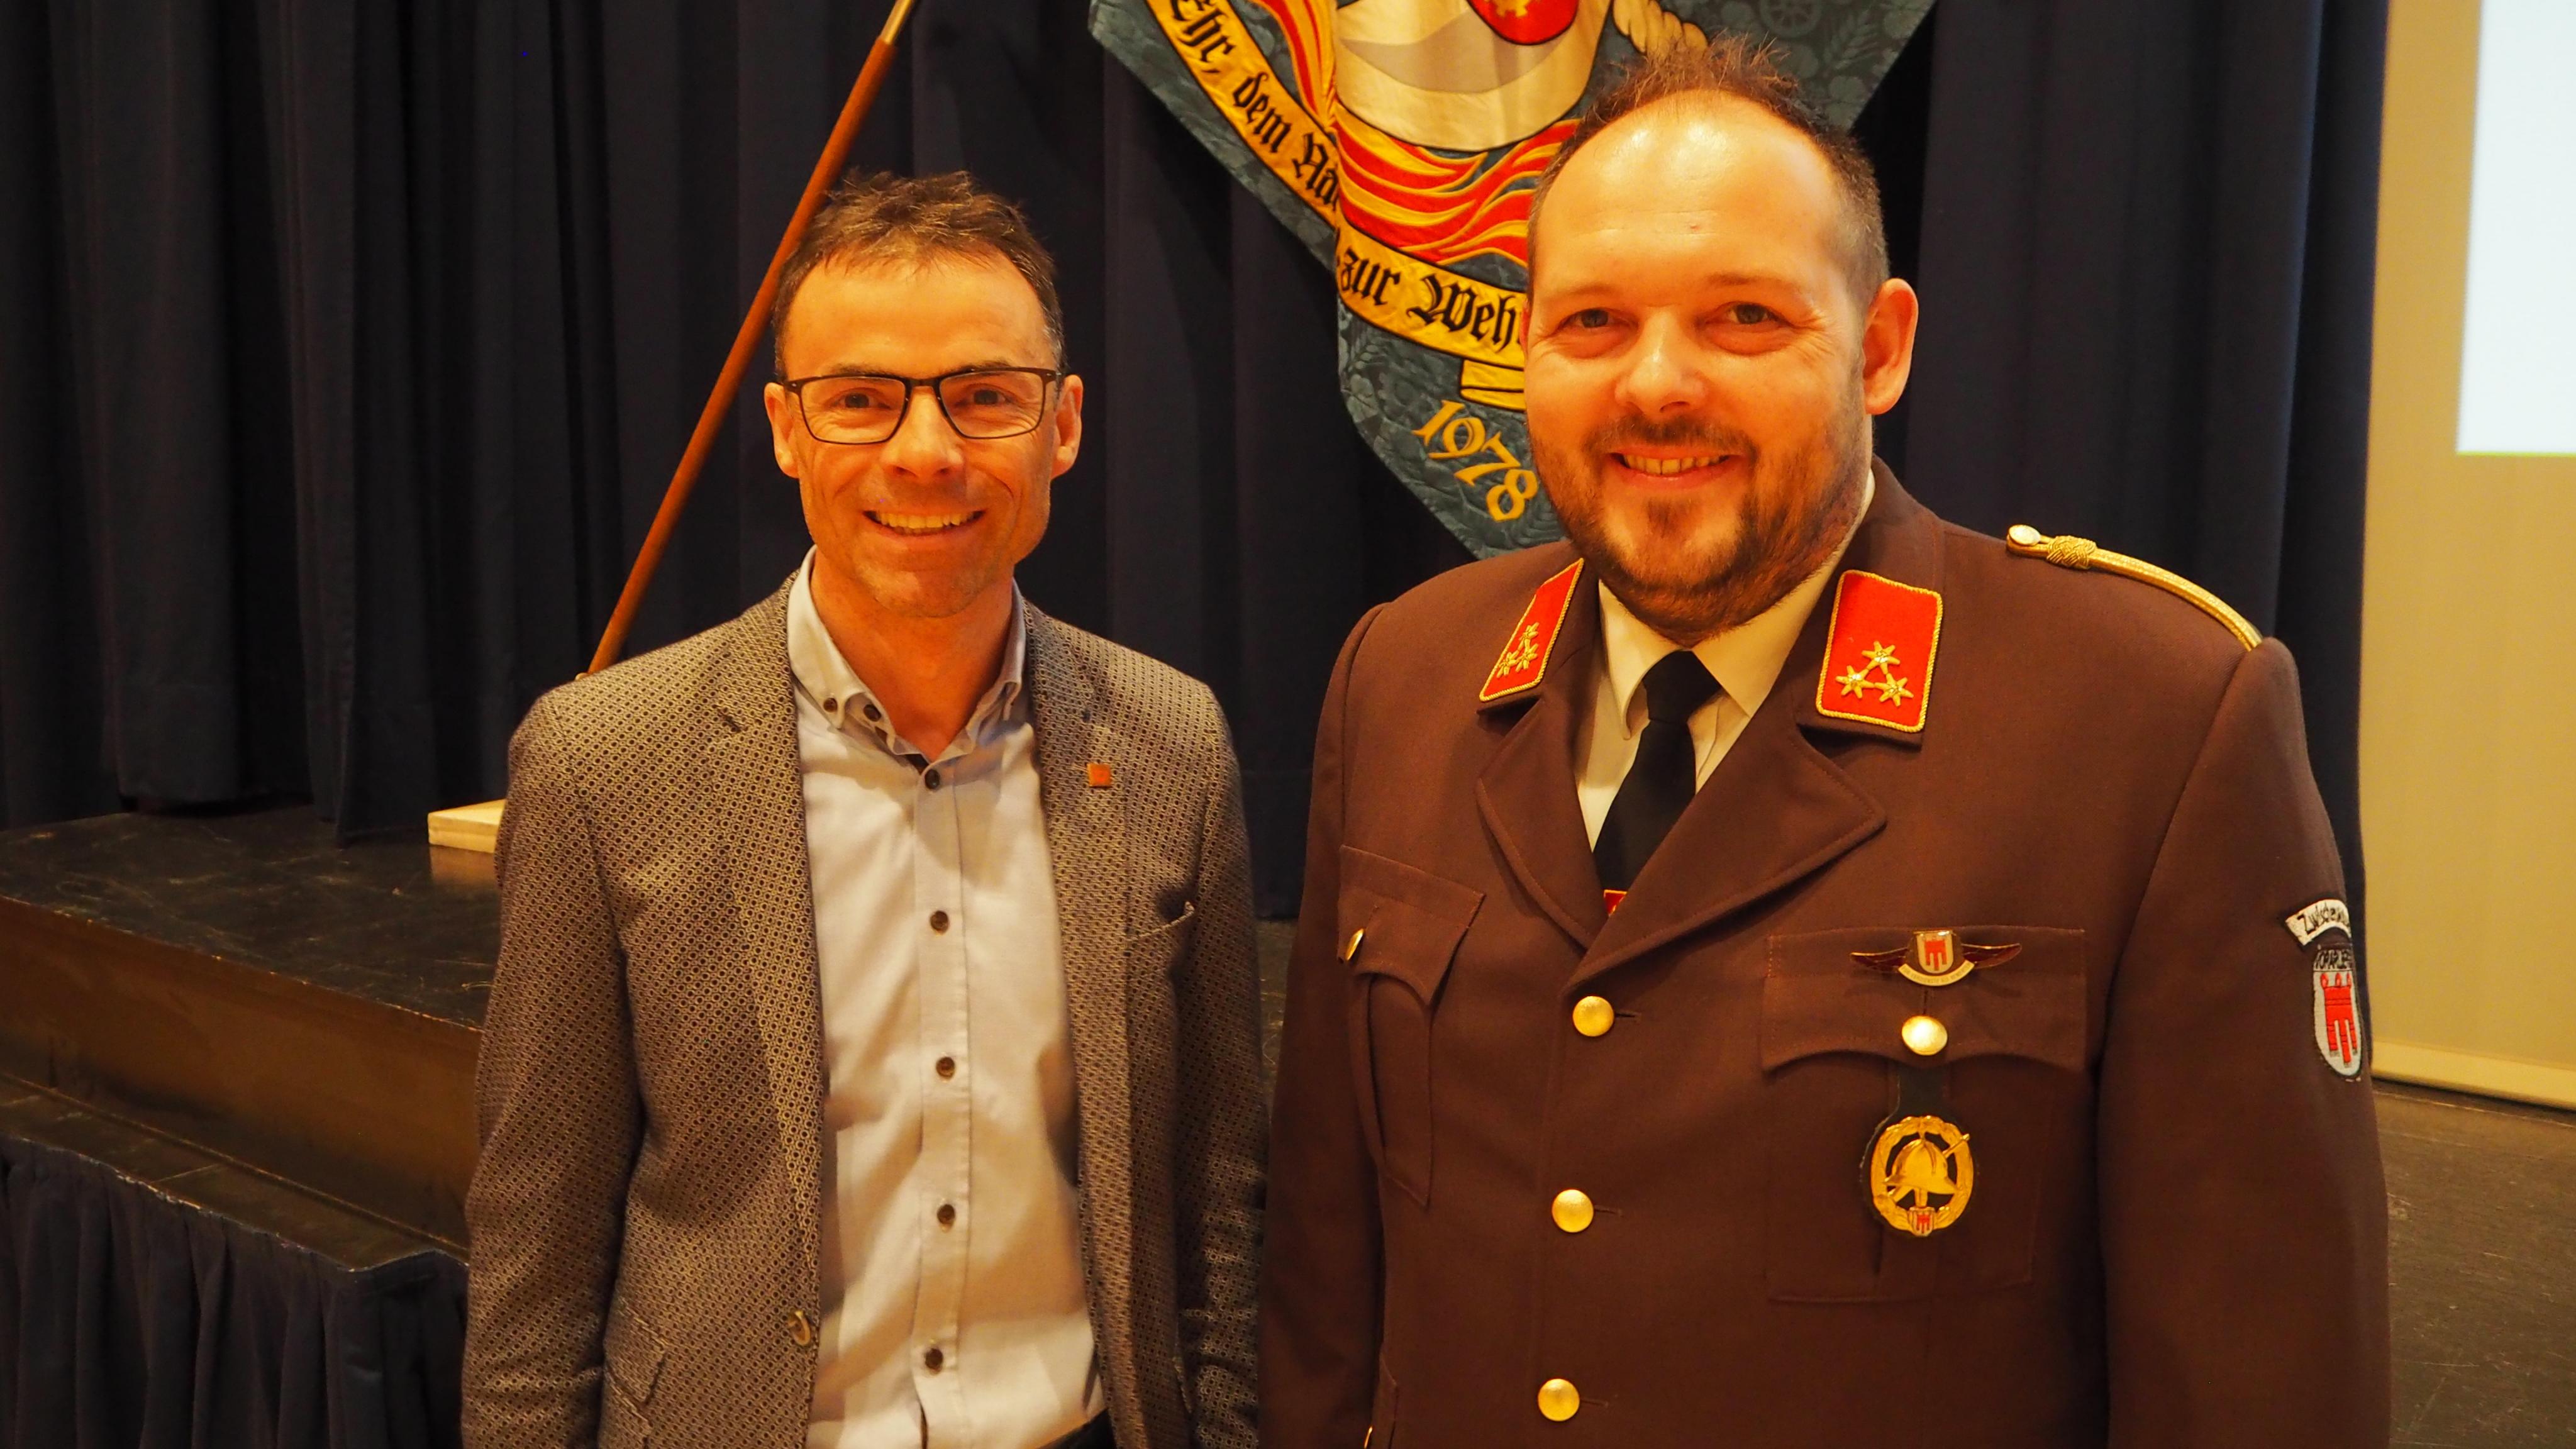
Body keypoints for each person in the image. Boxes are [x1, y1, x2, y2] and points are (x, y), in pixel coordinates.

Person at [1260, 38, 2387, 1447]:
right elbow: (1325, 1277)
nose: (1655, 387)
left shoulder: (2148, 721)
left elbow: (2259, 1369)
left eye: (1742, 317)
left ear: (1880, 348)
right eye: (1591, 322)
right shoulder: (1405, 676)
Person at [464, 171, 1262, 1449]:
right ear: (787, 430)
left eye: (983, 396)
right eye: (860, 400)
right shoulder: (600, 761)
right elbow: (535, 1259)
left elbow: (1219, 1208)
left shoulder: (1175, 746)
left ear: (1062, 426)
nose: (925, 451)